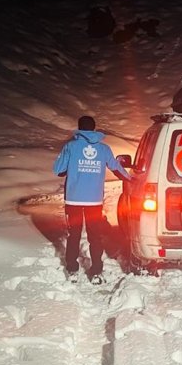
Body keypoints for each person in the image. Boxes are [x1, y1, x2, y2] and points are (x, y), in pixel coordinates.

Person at [53, 115, 132, 283]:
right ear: (94, 129)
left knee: (74, 235)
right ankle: (96, 271)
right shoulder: (104, 149)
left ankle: (72, 270)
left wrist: (74, 166)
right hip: (94, 201)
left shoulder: (71, 146)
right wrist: (130, 179)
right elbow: (116, 168)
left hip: (73, 199)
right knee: (94, 236)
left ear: (79, 128)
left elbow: (58, 170)